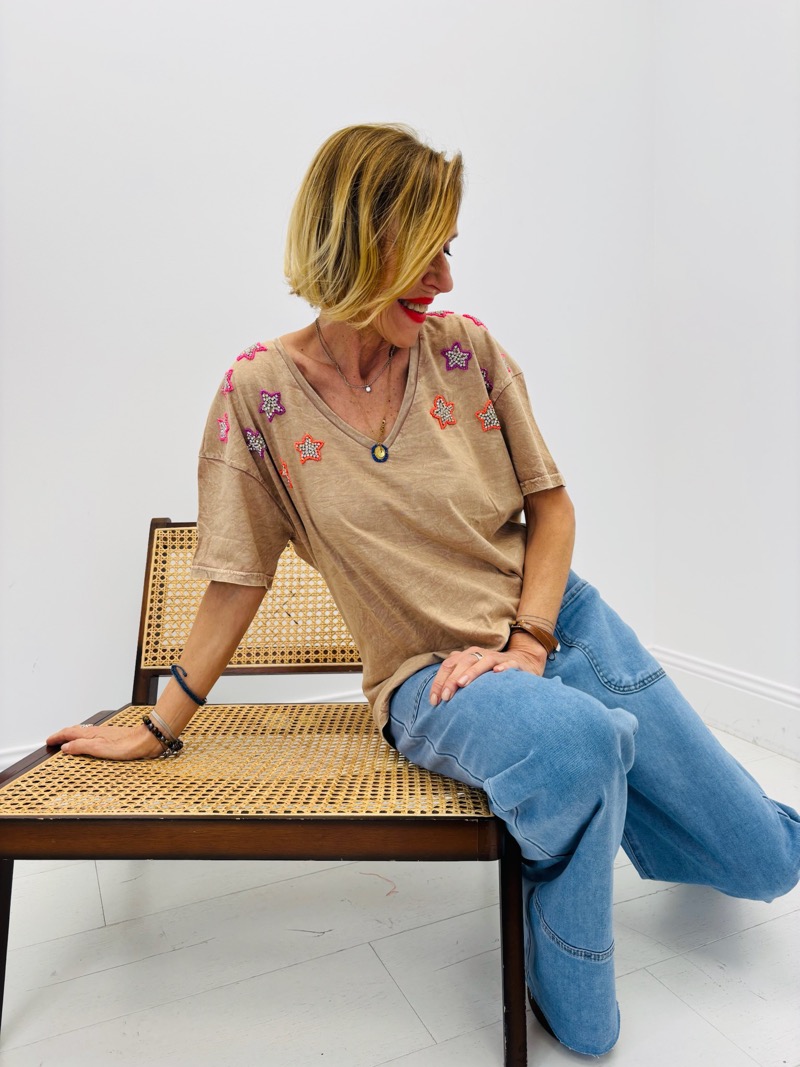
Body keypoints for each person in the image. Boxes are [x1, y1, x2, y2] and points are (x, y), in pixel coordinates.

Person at [47, 123, 800, 1057]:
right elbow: (238, 579)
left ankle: (634, 791)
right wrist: (161, 723)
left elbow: (552, 509)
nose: (445, 277)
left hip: (562, 627)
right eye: (425, 251)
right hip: (430, 677)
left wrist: (529, 644)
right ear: (355, 239)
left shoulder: (469, 352)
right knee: (582, 753)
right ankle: (571, 914)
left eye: (449, 249)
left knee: (767, 862)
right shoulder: (259, 395)